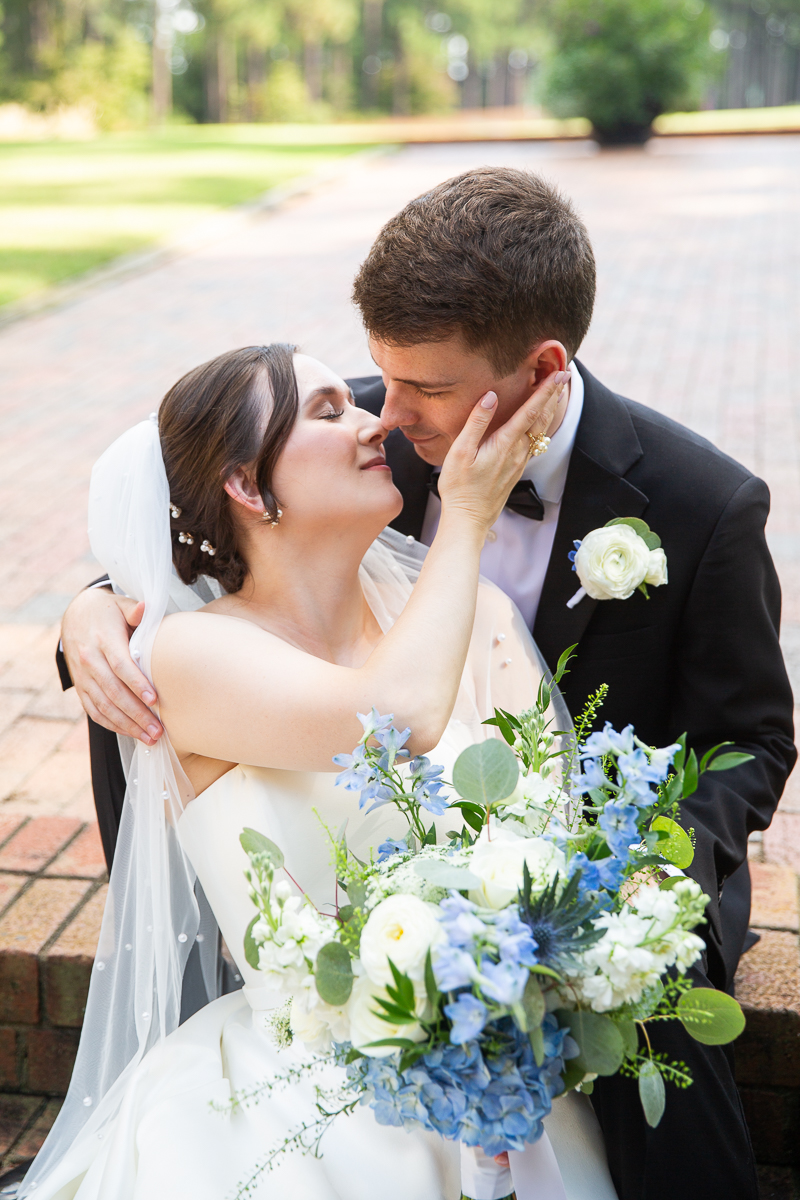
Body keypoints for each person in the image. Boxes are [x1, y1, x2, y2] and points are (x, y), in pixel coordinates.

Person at [58, 169, 795, 1200]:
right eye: (373, 382)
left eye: (424, 389)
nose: (388, 418)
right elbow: (192, 546)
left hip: (598, 889)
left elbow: (751, 739)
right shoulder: (365, 448)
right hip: (331, 981)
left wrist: (641, 881)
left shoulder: (697, 503)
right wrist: (95, 601)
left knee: (669, 1095)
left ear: (539, 367)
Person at [23, 346, 614, 1200]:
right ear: (246, 486)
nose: (378, 422)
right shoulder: (190, 655)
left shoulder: (472, 615)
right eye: (331, 410)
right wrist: (471, 514)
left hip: (508, 1063)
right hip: (296, 1108)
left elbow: (561, 842)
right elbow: (394, 721)